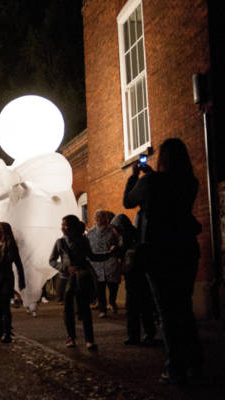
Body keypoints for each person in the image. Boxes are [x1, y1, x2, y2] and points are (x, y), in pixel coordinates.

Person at [123, 138, 202, 384]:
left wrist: (135, 176)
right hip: (186, 248)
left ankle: (174, 367)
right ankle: (194, 365)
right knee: (184, 308)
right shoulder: (190, 182)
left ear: (163, 158)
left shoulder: (151, 182)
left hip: (159, 252)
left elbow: (128, 201)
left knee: (167, 312)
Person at [49, 215, 112, 350]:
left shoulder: (83, 241)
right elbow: (52, 260)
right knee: (68, 309)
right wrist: (65, 268)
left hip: (82, 278)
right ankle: (71, 337)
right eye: (62, 224)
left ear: (72, 227)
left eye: (65, 225)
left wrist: (109, 254)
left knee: (84, 309)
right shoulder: (60, 242)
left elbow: (92, 256)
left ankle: (89, 339)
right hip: (66, 280)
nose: (62, 227)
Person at [110, 213, 158, 346]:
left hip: (136, 274)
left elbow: (126, 252)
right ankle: (138, 335)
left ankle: (142, 334)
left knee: (140, 306)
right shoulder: (130, 235)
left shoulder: (128, 236)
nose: (113, 231)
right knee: (135, 306)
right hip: (133, 274)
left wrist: (116, 250)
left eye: (114, 228)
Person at [87, 209, 121, 318]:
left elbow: (119, 242)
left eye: (101, 217)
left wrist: (115, 247)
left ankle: (112, 302)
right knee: (99, 288)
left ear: (106, 218)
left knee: (113, 286)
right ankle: (102, 309)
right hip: (96, 263)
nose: (99, 219)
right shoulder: (91, 232)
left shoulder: (112, 231)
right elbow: (88, 247)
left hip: (110, 261)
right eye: (97, 217)